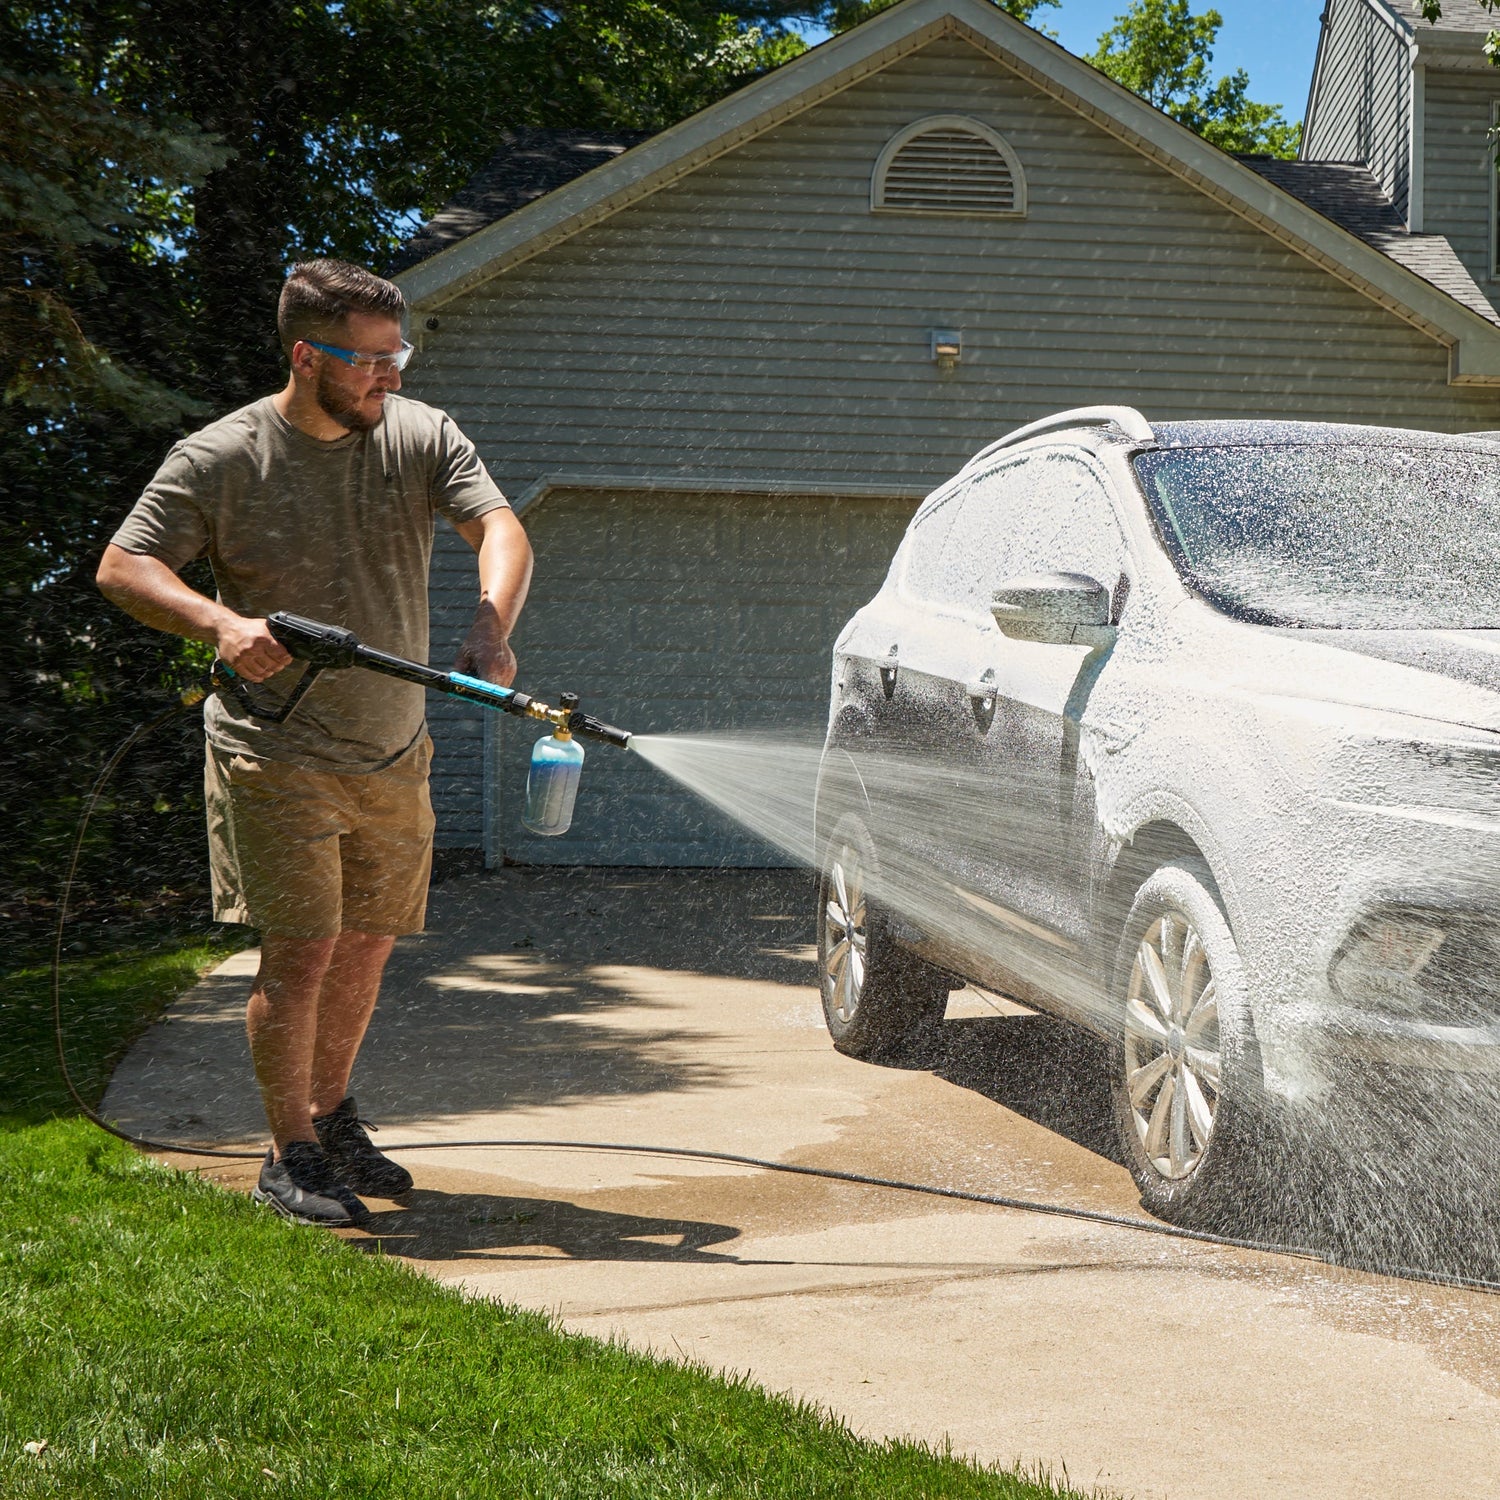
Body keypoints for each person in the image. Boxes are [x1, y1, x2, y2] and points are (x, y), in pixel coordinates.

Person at [97, 259, 532, 1227]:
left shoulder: (418, 437)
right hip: (274, 748)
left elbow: (500, 526)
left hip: (390, 749)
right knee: (302, 951)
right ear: (307, 355)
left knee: (369, 946)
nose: (395, 377)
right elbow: (123, 567)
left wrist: (491, 623)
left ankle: (332, 1119)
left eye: (399, 355)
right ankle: (286, 1154)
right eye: (372, 361)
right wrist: (217, 624)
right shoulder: (223, 457)